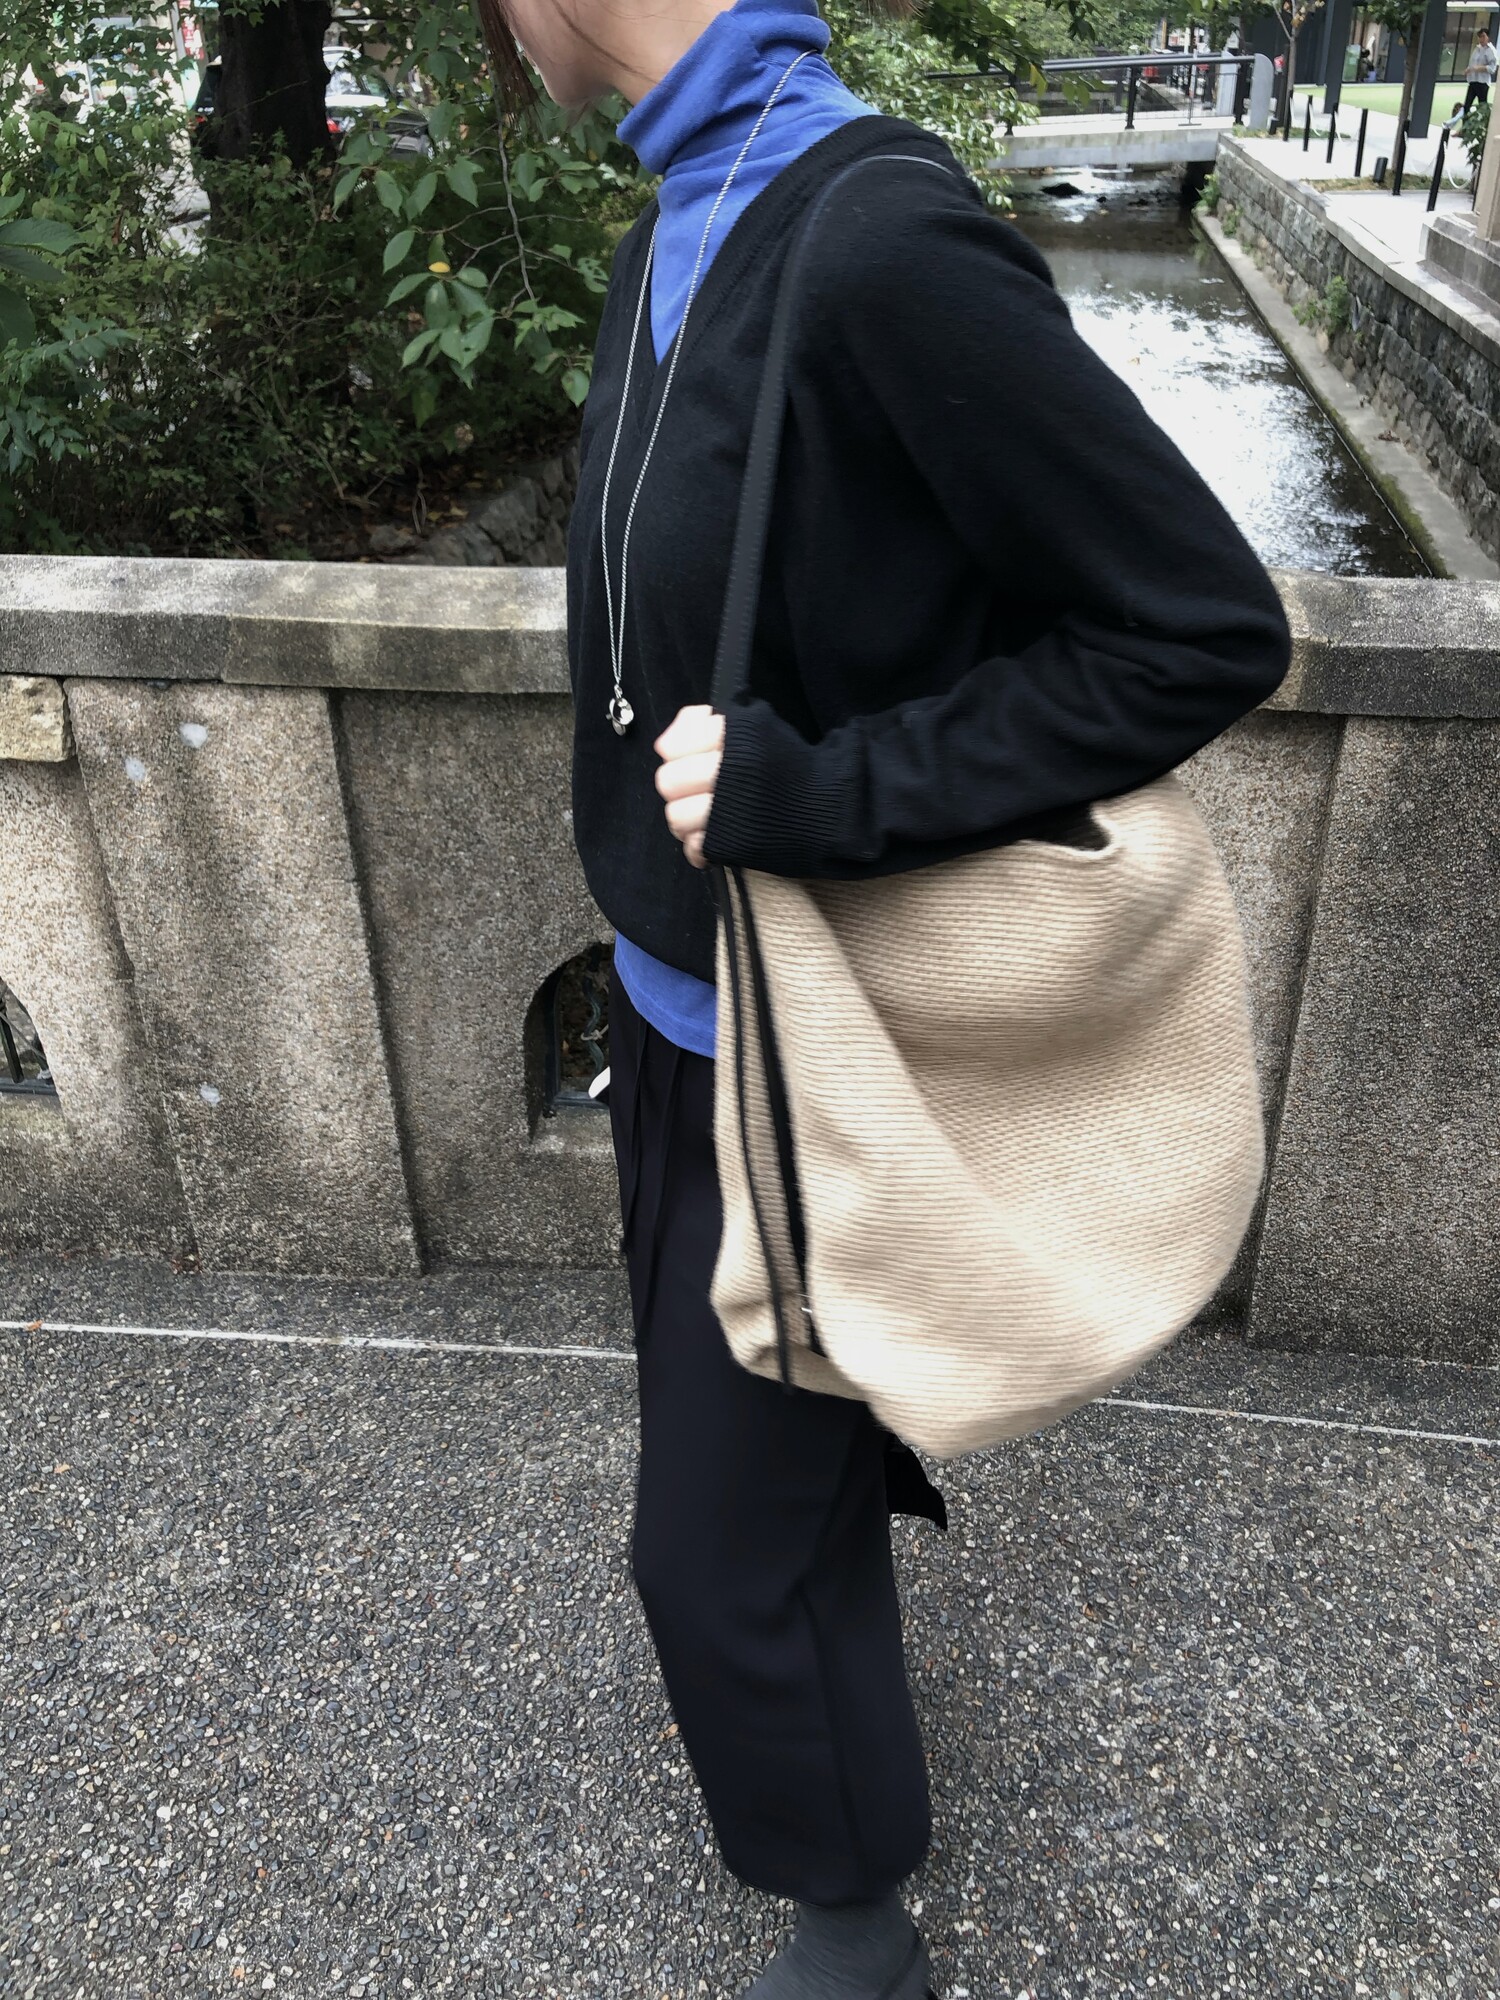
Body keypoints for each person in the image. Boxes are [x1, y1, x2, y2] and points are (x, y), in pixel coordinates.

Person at [476, 0, 1292, 1991]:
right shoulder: (672, 216)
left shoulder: (877, 240)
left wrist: (826, 794)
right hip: (683, 1020)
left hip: (816, 1041)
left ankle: (854, 1923)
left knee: (708, 1564)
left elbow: (1197, 627)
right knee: (777, 1467)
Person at [1464, 28, 1497, 111]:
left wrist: (1480, 68)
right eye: (1479, 37)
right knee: (1467, 106)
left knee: (1482, 106)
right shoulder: (1477, 49)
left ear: (1488, 37)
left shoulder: (1490, 50)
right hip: (1473, 81)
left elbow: (1492, 68)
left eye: (1483, 36)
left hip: (1483, 83)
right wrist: (1468, 69)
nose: (1481, 39)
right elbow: (1472, 63)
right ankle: (1466, 119)